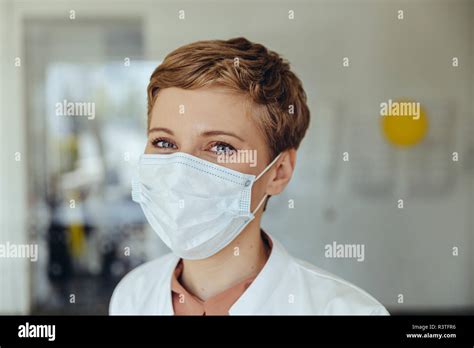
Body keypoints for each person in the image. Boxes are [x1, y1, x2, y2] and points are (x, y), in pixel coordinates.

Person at [109, 37, 389, 315]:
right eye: (164, 142)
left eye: (221, 146)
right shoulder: (132, 296)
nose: (181, 173)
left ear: (279, 172)